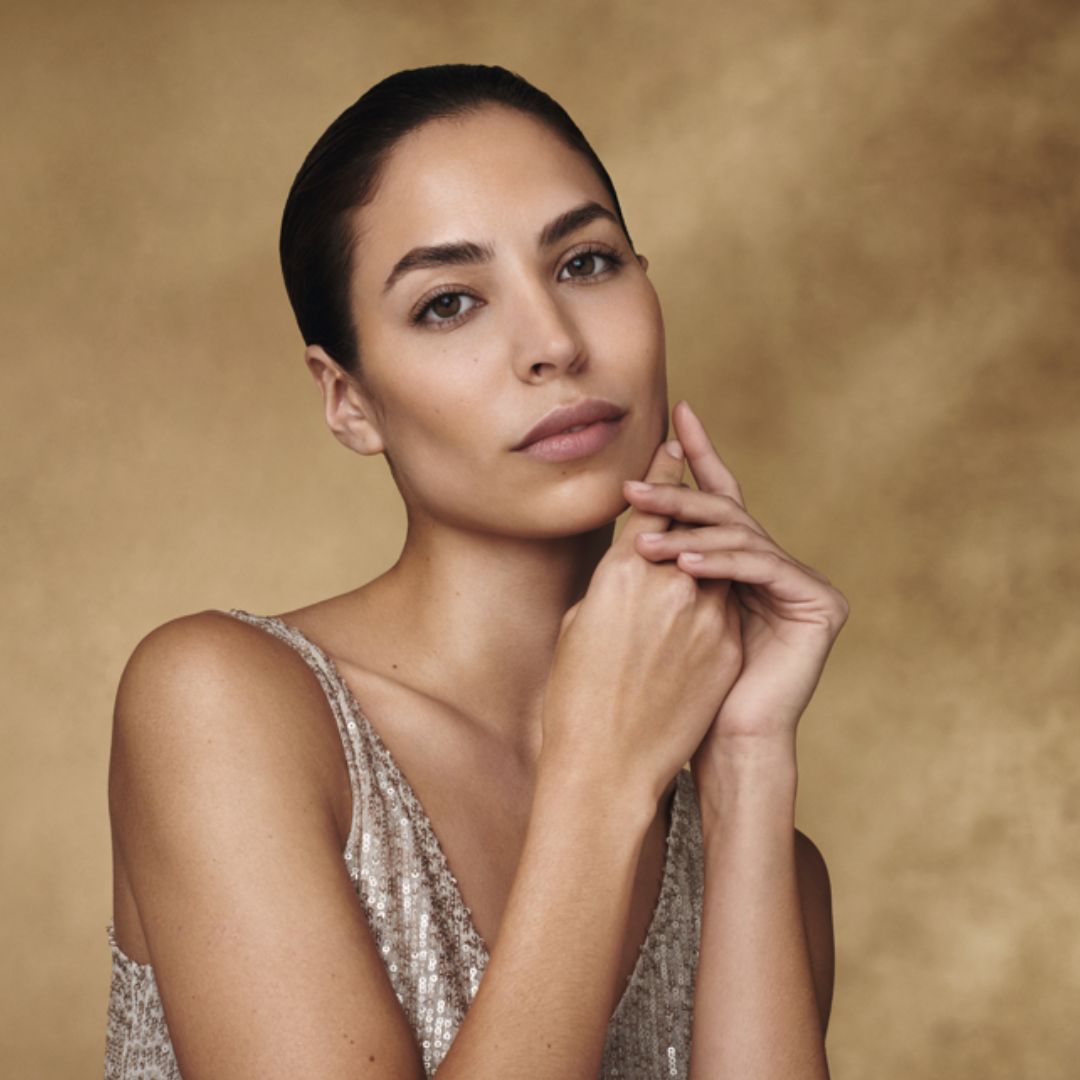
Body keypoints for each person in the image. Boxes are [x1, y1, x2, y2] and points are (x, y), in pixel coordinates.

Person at [104, 63, 847, 1079]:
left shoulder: (767, 868)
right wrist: (598, 781)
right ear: (349, 399)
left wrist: (751, 761)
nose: (553, 344)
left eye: (585, 264)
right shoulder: (221, 704)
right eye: (450, 302)